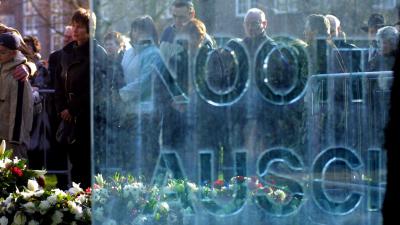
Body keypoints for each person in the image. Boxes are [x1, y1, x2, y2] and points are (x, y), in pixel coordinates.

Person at [55, 8, 107, 188]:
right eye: (73, 25)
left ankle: (92, 207)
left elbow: (96, 88)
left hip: (88, 117)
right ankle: (78, 207)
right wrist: (62, 108)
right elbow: (59, 84)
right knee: (75, 165)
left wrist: (73, 109)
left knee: (89, 165)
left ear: (90, 29)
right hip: (69, 118)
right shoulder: (66, 53)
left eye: (80, 26)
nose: (75, 30)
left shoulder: (98, 53)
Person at [0, 33, 33, 159]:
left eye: (2, 52)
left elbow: (19, 109)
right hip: (2, 131)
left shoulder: (17, 74)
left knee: (13, 173)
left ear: (13, 53)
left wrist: (15, 138)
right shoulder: (3, 68)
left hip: (12, 137)